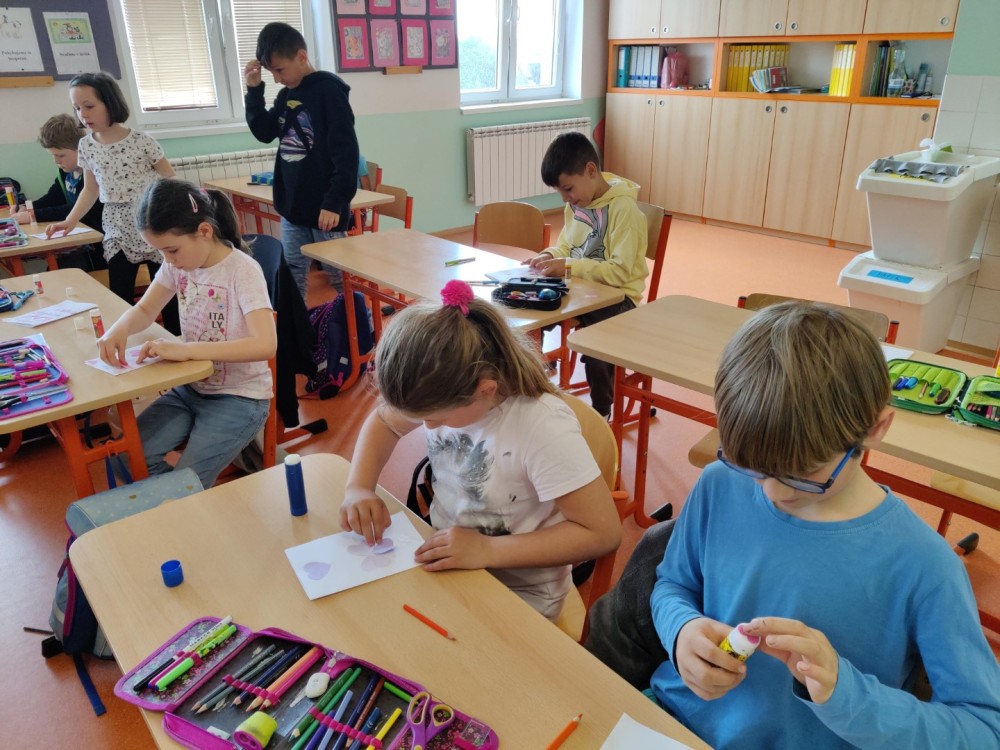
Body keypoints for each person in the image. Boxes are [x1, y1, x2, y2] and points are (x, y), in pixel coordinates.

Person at [648, 301, 1000, 749]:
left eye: (804, 473)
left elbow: (983, 730)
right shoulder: (721, 482)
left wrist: (845, 694)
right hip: (675, 720)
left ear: (876, 428)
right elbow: (672, 585)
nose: (773, 491)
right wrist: (681, 631)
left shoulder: (924, 566)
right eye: (754, 468)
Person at [339, 280, 621, 620]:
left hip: (519, 594)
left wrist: (487, 549)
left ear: (485, 390)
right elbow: (385, 422)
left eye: (437, 417)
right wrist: (359, 487)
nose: (428, 426)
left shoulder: (541, 427)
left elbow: (602, 534)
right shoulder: (443, 384)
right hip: (448, 561)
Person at [98, 178, 276, 490]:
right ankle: (183, 497)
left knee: (184, 486)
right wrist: (118, 329)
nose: (168, 260)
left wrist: (188, 350)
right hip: (192, 389)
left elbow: (265, 344)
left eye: (171, 250)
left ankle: (185, 496)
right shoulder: (177, 265)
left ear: (204, 231)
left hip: (240, 398)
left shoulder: (242, 271)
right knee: (125, 457)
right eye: (161, 252)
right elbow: (145, 309)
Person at [45, 72, 179, 334]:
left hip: (153, 223)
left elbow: (170, 179)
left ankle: (176, 342)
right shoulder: (86, 145)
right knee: (120, 296)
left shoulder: (142, 141)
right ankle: (126, 343)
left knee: (167, 296)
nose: (83, 114)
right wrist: (69, 221)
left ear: (110, 103)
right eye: (77, 108)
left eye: (89, 106)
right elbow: (90, 190)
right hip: (117, 228)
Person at [526, 131, 648, 417]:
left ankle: (601, 411)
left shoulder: (623, 210)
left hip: (619, 298)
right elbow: (566, 247)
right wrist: (549, 255)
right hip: (582, 290)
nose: (566, 199)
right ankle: (532, 383)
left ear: (591, 171)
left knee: (595, 344)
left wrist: (569, 266)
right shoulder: (576, 204)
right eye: (560, 192)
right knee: (533, 312)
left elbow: (620, 273)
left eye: (568, 189)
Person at [244, 22, 359, 301]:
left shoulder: (329, 92)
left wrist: (334, 201)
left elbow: (346, 152)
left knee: (338, 274)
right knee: (293, 273)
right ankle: (299, 327)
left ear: (301, 57)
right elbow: (264, 132)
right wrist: (254, 91)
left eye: (280, 70)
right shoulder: (286, 95)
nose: (277, 79)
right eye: (271, 72)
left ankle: (361, 322)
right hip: (293, 207)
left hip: (326, 210)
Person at [11, 114, 106, 271]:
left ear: (81, 149)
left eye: (61, 155)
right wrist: (28, 207)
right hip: (79, 241)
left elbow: (76, 209)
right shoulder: (66, 172)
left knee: (64, 271)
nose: (56, 161)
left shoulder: (92, 176)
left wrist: (34, 215)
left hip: (98, 246)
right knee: (56, 268)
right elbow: (54, 198)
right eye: (53, 156)